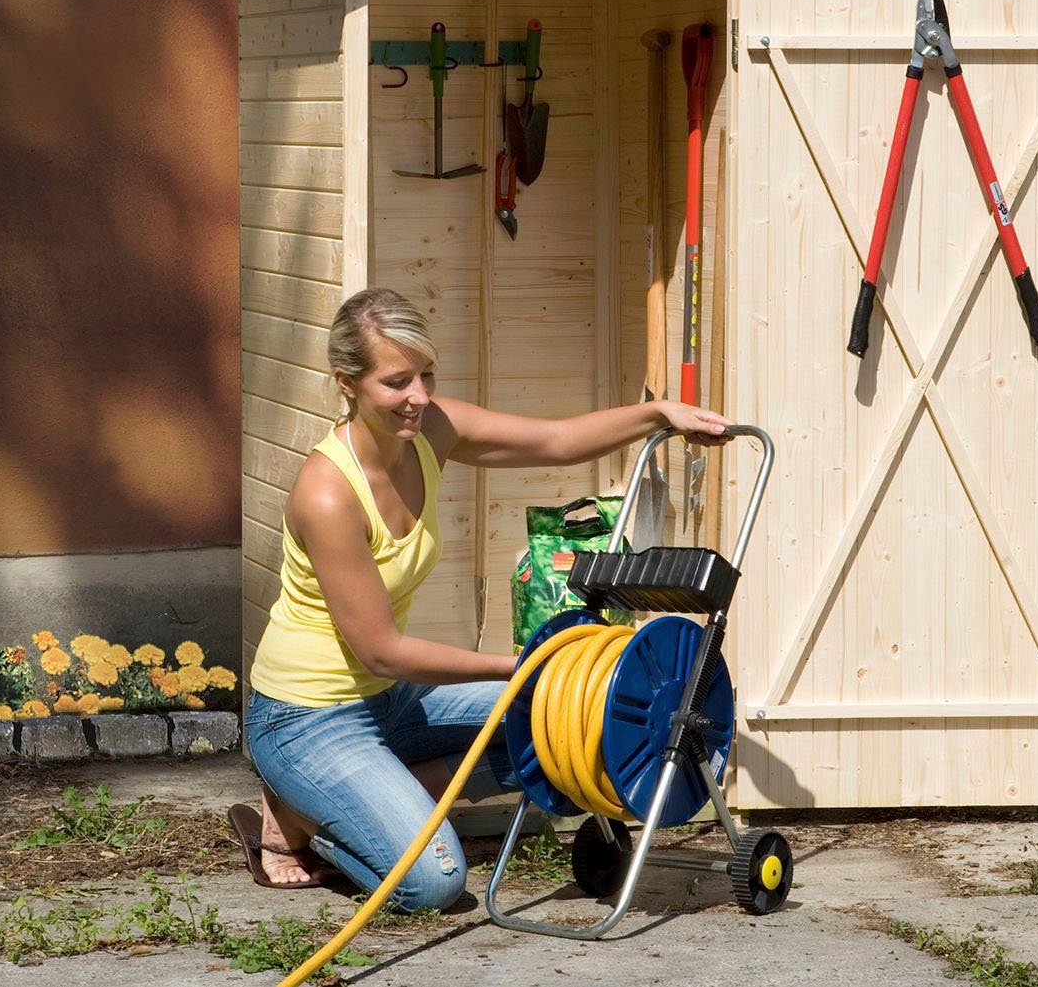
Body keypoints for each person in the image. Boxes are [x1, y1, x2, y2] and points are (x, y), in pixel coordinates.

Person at [230, 287, 729, 909]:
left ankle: (406, 787)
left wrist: (660, 416)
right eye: (396, 381)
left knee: (578, 716)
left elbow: (553, 441)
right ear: (346, 384)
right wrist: (518, 665)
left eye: (426, 376)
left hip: (392, 703)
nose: (418, 397)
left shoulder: (430, 430)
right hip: (309, 718)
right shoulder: (328, 494)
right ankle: (297, 820)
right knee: (432, 884)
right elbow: (382, 651)